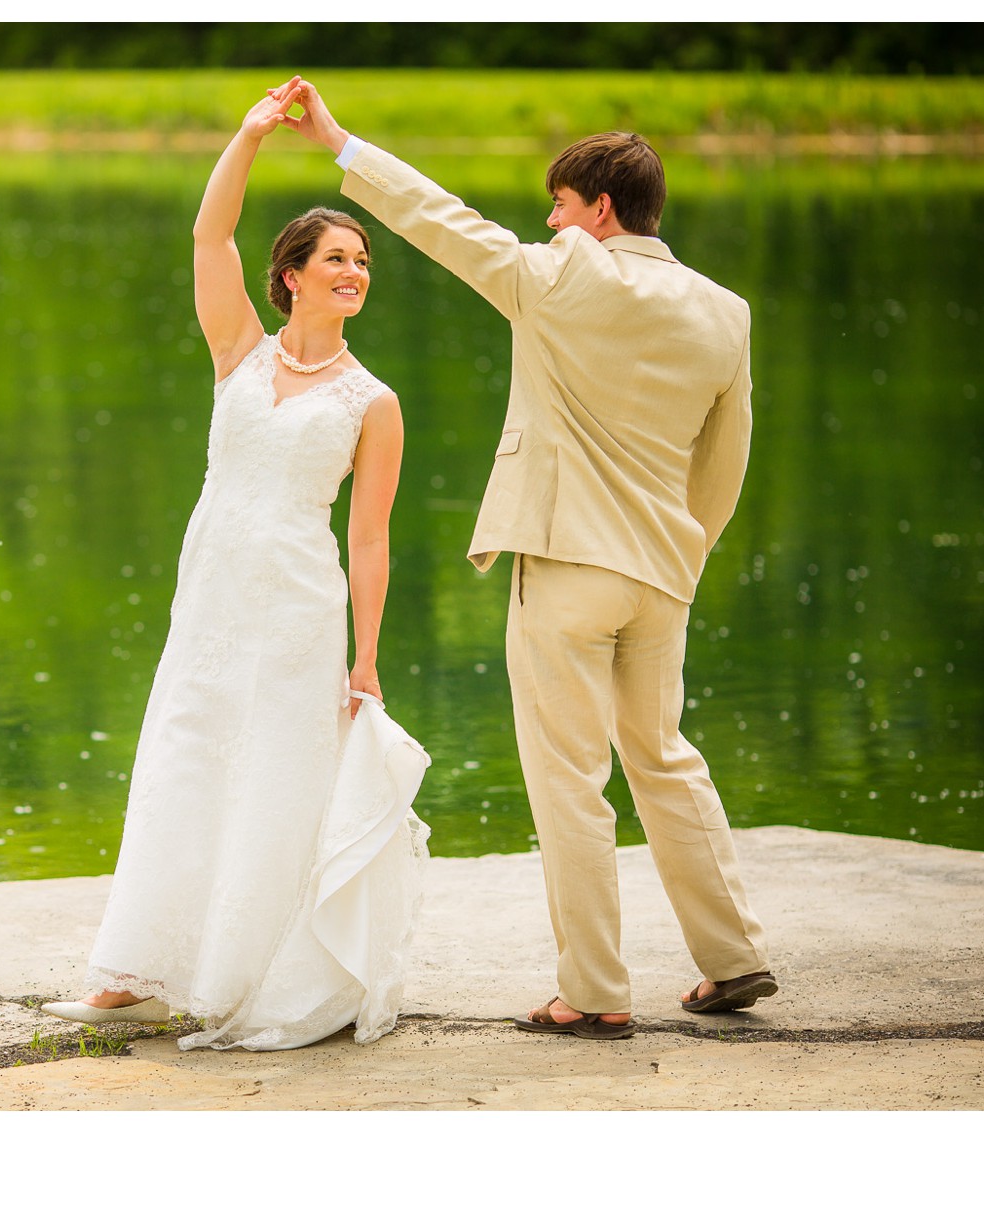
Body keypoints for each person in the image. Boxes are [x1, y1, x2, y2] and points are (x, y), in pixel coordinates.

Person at [281, 81, 774, 1040]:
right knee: (665, 759)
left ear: (597, 209)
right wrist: (684, 552)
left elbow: (439, 220)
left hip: (564, 566)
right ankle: (734, 956)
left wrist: (342, 144)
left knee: (569, 780)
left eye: (558, 203)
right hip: (663, 571)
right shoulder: (726, 311)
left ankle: (593, 988)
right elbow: (726, 463)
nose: (548, 219)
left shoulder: (561, 275)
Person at [41, 79, 431, 1051]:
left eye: (363, 261)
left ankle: (247, 975)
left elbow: (369, 537)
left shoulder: (371, 402)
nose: (354, 272)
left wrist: (366, 660)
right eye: (336, 258)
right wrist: (251, 133)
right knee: (181, 758)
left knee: (273, 777)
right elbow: (207, 239)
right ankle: (132, 973)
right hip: (211, 594)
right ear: (290, 274)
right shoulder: (238, 354)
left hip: (301, 607)